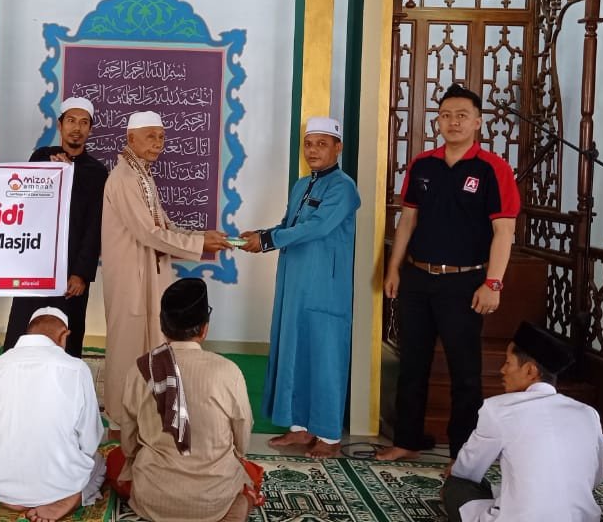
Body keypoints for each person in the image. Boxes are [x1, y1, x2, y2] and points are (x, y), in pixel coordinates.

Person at [378, 84, 520, 462]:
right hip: (417, 278)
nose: (453, 122)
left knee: (465, 373)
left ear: (478, 122)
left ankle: (462, 454)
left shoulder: (493, 169)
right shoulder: (422, 165)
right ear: (437, 121)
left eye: (461, 116)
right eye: (445, 115)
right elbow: (407, 220)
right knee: (412, 364)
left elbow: (503, 231)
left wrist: (493, 283)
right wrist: (394, 269)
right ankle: (406, 440)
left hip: (465, 282)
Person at [100, 111, 231, 426]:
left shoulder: (143, 175)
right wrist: (199, 244)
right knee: (127, 347)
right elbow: (148, 233)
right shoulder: (124, 179)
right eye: (150, 136)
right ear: (130, 138)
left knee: (152, 345)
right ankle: (119, 420)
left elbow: (164, 226)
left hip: (149, 274)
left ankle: (146, 417)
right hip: (130, 278)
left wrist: (201, 236)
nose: (158, 143)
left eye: (161, 137)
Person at [242, 116, 360, 459]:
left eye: (322, 144)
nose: (313, 150)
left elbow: (317, 227)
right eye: (309, 144)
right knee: (295, 350)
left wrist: (268, 240)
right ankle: (300, 427)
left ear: (338, 147)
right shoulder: (301, 185)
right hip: (294, 284)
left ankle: (329, 435)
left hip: (325, 288)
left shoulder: (343, 188)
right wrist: (261, 235)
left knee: (324, 356)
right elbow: (289, 224)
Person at [110, 278, 260, 522]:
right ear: (204, 329)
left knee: (114, 461)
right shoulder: (228, 371)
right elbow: (242, 439)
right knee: (252, 472)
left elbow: (128, 440)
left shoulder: (141, 368)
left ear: (162, 326)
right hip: (214, 498)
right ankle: (241, 503)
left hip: (153, 496)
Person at [441, 322, 603, 522]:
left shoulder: (498, 409)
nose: (502, 370)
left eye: (508, 362)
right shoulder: (588, 414)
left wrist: (455, 473)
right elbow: (596, 478)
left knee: (456, 486)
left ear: (530, 371)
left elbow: (467, 470)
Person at [0, 307, 105, 522]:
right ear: (64, 336)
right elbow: (90, 440)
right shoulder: (76, 368)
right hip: (60, 485)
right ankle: (68, 498)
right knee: (99, 462)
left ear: (29, 332)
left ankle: (14, 496)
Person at [3, 97, 108, 358]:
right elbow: (26, 204)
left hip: (72, 273)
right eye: (71, 121)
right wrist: (54, 171)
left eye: (84, 123)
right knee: (22, 333)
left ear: (90, 129)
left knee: (67, 339)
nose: (77, 128)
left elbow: (94, 226)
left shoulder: (97, 172)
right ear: (60, 126)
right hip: (36, 266)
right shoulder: (42, 158)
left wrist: (81, 274)